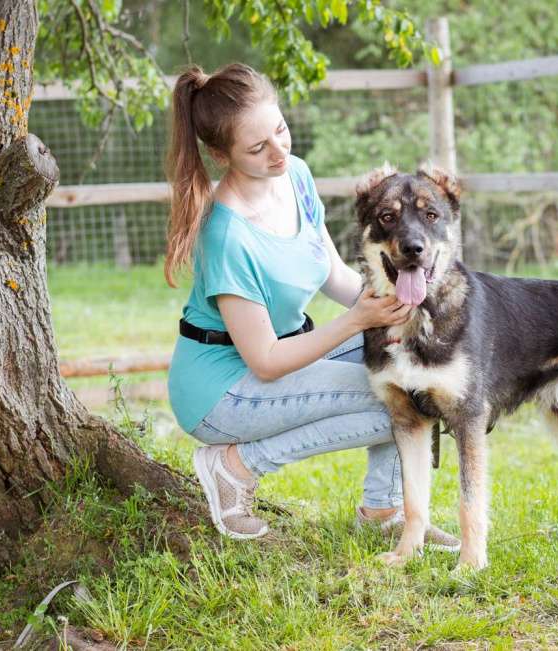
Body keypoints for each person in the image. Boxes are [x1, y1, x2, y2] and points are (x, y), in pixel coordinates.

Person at [163, 62, 459, 551]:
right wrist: (358, 321)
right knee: (402, 400)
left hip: (283, 357)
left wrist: (395, 310)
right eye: (258, 148)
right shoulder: (226, 234)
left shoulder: (296, 175)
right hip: (222, 391)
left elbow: (331, 271)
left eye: (280, 130)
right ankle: (234, 467)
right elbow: (265, 360)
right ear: (221, 155)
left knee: (411, 366)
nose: (279, 151)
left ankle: (384, 510)